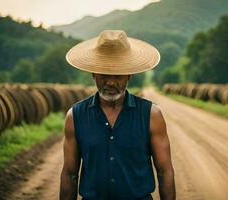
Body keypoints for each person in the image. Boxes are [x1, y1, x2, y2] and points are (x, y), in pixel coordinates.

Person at [60, 30, 175, 200]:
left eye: (118, 75)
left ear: (129, 75)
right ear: (93, 73)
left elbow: (165, 172)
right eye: (104, 75)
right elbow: (69, 174)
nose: (111, 82)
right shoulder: (75, 116)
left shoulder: (151, 115)